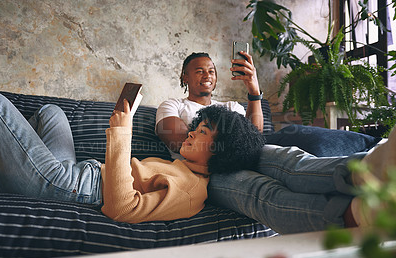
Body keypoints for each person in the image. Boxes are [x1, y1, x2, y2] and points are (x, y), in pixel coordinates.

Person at [155, 51, 395, 234]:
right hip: (206, 172)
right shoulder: (173, 105)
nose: (207, 74)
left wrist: (253, 89)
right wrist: (228, 138)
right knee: (260, 193)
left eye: (211, 70)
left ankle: (373, 168)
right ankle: (357, 214)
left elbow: (255, 136)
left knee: (292, 162)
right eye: (199, 70)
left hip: (245, 153)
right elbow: (180, 142)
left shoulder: (230, 106)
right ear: (185, 76)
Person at [0, 92, 264, 224]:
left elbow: (121, 209)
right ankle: (8, 168)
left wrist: (122, 133)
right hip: (78, 172)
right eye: (196, 127)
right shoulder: (182, 169)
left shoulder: (190, 191)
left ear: (220, 150)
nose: (191, 133)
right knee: (51, 112)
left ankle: (11, 172)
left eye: (203, 131)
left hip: (70, 186)